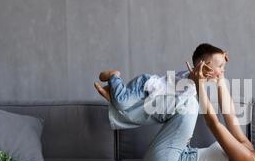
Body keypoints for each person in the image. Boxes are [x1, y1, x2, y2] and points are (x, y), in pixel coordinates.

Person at [94, 43, 228, 129]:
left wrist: (220, 63)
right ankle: (114, 76)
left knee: (126, 107)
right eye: (220, 66)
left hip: (151, 98)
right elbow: (190, 82)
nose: (223, 70)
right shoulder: (190, 77)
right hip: (146, 85)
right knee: (122, 103)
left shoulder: (200, 86)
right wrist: (194, 76)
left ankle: (114, 94)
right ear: (203, 67)